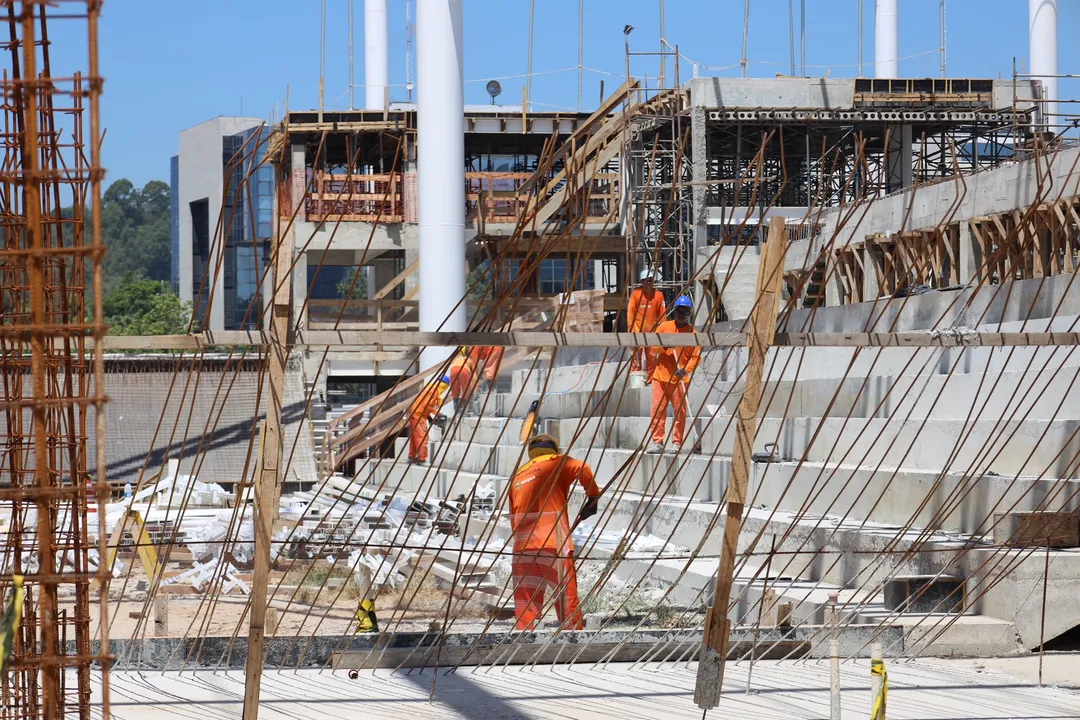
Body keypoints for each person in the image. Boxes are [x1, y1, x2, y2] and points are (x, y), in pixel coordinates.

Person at [508, 434, 600, 631]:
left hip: (523, 549)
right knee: (566, 598)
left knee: (526, 606)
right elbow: (583, 468)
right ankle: (572, 639)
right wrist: (593, 497)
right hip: (554, 544)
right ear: (554, 450)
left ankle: (524, 642)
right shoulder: (557, 463)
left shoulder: (518, 476)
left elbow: (513, 515)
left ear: (531, 453)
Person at [646, 295, 701, 454]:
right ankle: (657, 442)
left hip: (679, 378)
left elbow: (696, 356)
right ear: (674, 311)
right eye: (679, 311)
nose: (681, 314)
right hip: (660, 377)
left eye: (685, 311)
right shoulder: (664, 327)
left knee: (680, 412)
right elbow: (652, 348)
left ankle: (677, 443)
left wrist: (686, 369)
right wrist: (664, 347)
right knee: (657, 410)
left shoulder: (692, 333)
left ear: (689, 313)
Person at [627, 268, 666, 373]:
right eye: (647, 280)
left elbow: (662, 315)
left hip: (652, 333)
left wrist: (664, 332)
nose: (649, 283)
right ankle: (636, 380)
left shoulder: (659, 295)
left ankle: (650, 381)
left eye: (651, 280)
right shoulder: (636, 294)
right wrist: (631, 330)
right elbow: (630, 313)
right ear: (641, 282)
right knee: (635, 359)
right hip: (637, 332)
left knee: (652, 359)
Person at [408, 374, 450, 465]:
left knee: (415, 438)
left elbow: (423, 405)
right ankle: (421, 459)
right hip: (419, 416)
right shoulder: (434, 391)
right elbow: (427, 406)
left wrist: (429, 418)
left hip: (415, 414)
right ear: (443, 384)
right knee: (422, 438)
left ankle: (412, 456)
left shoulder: (429, 387)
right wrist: (438, 413)